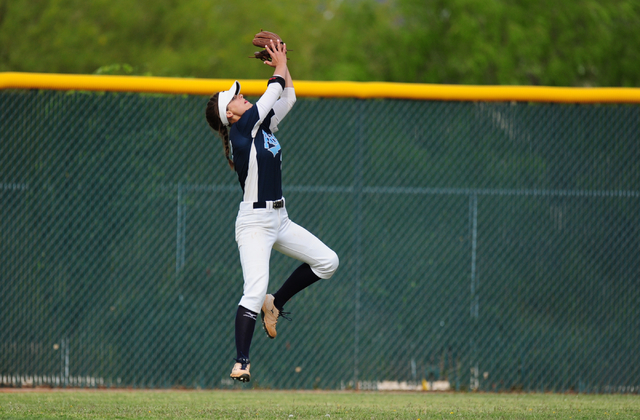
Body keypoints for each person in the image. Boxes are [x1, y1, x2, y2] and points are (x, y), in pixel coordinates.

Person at [205, 40, 339, 383]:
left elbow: (287, 96)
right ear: (230, 115)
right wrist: (278, 63)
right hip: (254, 224)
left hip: (280, 218)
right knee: (253, 287)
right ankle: (241, 361)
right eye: (235, 98)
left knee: (327, 262)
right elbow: (272, 92)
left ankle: (275, 303)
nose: (241, 96)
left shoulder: (260, 128)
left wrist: (284, 64)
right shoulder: (241, 129)